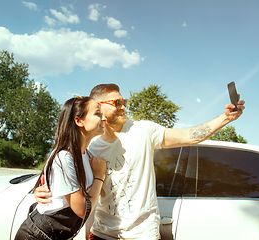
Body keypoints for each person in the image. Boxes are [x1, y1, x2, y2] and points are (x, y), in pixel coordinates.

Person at [35, 84, 245, 240]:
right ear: (99, 108)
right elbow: (67, 177)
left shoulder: (143, 130)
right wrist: (41, 190)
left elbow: (189, 136)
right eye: (117, 103)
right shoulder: (90, 144)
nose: (123, 107)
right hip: (101, 233)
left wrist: (226, 118)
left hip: (142, 235)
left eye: (124, 102)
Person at [15, 96, 107, 240]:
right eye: (97, 114)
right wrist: (99, 177)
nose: (103, 119)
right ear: (79, 121)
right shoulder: (64, 157)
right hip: (38, 235)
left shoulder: (85, 154)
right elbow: (82, 210)